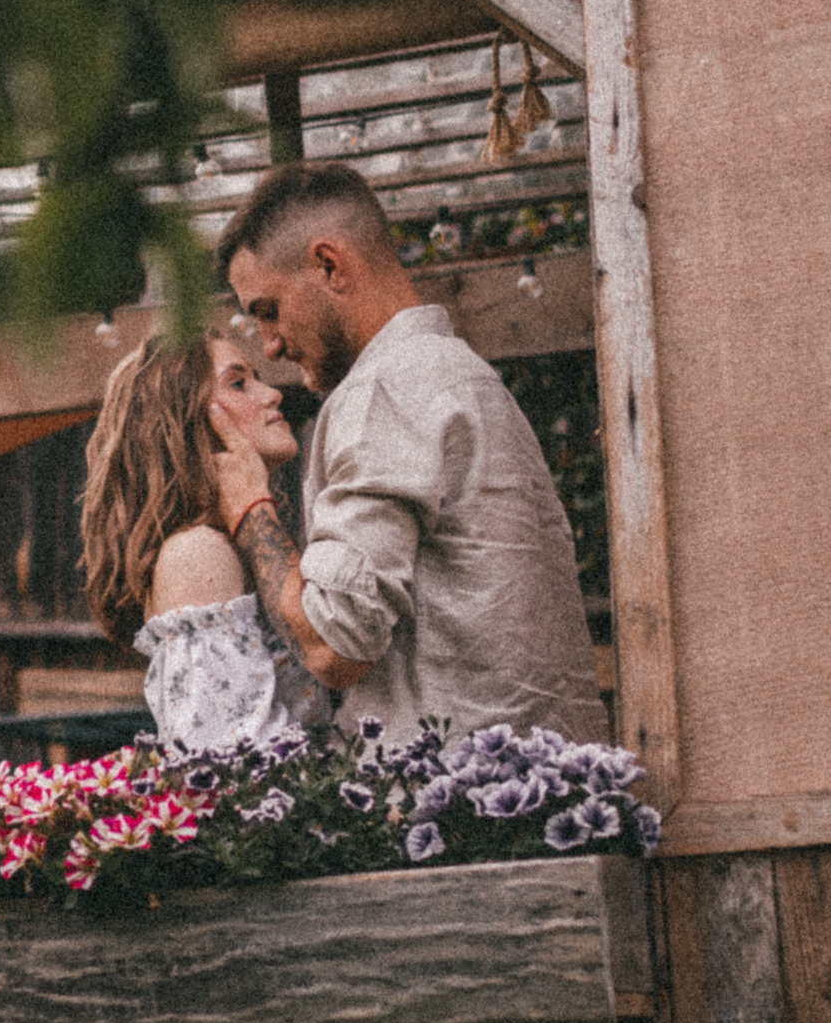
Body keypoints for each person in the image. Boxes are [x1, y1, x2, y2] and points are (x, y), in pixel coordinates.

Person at [212, 160, 605, 745]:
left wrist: (250, 508)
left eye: (268, 310)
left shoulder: (385, 388)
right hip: (537, 787)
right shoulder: (463, 375)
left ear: (328, 264)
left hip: (453, 813)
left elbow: (335, 644)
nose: (269, 344)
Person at [80, 334, 328, 752]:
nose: (272, 394)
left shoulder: (233, 544)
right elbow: (226, 763)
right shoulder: (197, 554)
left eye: (258, 379)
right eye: (238, 383)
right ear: (186, 419)